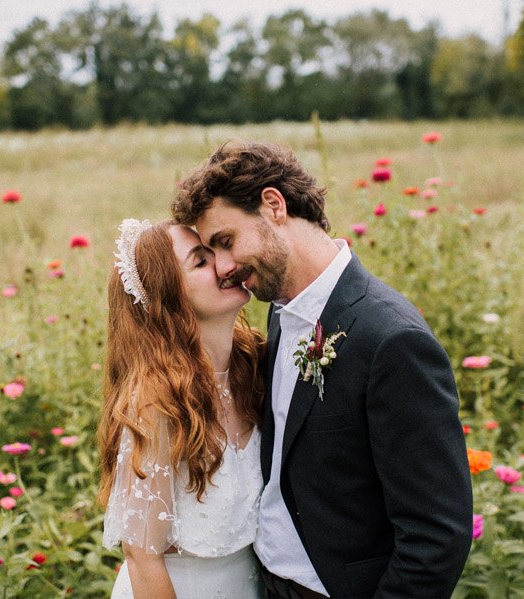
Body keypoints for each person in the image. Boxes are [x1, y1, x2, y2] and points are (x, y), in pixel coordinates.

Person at [172, 141, 473, 598]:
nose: (226, 268)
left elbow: (437, 537)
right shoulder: (277, 311)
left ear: (274, 205)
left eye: (226, 242)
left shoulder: (391, 341)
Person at [98, 219, 267, 598]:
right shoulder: (157, 403)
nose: (226, 265)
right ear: (169, 300)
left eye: (218, 251)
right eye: (201, 262)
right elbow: (142, 556)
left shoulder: (253, 366)